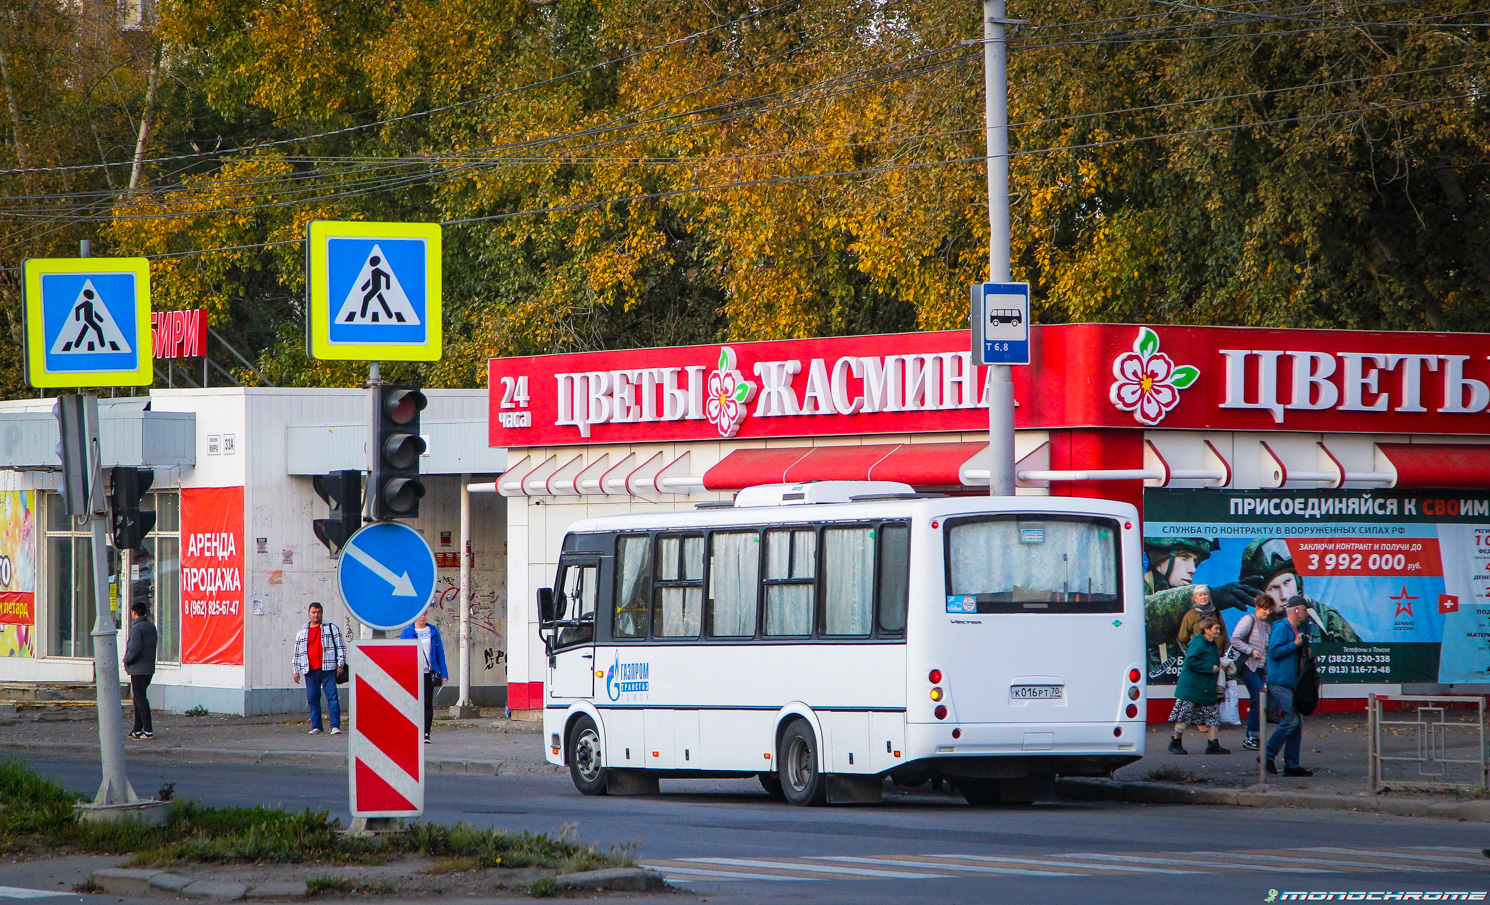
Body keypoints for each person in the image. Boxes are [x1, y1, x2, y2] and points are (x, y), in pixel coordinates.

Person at [1239, 538, 1360, 642]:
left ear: (1297, 582)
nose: (1284, 595)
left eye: (1287, 582)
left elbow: (1354, 659)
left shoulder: (1326, 619)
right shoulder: (1255, 628)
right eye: (1273, 588)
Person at [1263, 595, 1315, 777]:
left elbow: (1289, 652)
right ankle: (1267, 755)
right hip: (1280, 681)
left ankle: (1292, 765)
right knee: (1291, 720)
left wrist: (1301, 651)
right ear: (1296, 609)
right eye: (1305, 610)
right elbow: (1274, 652)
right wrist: (1295, 644)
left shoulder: (1295, 629)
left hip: (1292, 682)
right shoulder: (1281, 627)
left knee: (1297, 723)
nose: (1307, 614)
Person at [1168, 616, 1231, 755]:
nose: (1218, 631)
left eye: (1218, 628)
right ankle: (1175, 742)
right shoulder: (1199, 642)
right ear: (1206, 630)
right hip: (1192, 687)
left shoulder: (1212, 643)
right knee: (1184, 715)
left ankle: (1213, 744)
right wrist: (1210, 668)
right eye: (1215, 628)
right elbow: (1190, 661)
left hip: (1207, 687)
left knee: (1212, 714)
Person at [292, 602, 346, 735]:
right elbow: (297, 653)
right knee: (313, 698)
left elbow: (341, 647)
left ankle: (335, 726)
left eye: (318, 612)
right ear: (309, 614)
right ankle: (316, 726)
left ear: (322, 613)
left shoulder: (331, 628)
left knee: (332, 697)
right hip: (309, 670)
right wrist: (296, 671)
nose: (316, 615)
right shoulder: (302, 632)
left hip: (328, 668)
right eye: (313, 612)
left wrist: (340, 664)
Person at [1230, 594, 1274, 751]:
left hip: (1260, 668)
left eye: (1269, 609)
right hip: (1248, 665)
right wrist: (1251, 651)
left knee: (1259, 699)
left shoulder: (1267, 626)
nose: (1266, 612)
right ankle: (1251, 737)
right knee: (1258, 697)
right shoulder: (1249, 620)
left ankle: (1254, 736)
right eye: (1264, 608)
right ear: (1257, 607)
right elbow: (1235, 639)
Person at [400, 609, 449, 742]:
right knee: (412, 703)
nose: (423, 617)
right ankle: (412, 730)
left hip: (428, 672)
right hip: (412, 673)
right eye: (420, 614)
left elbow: (440, 653)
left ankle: (426, 733)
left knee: (427, 702)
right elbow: (401, 654)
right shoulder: (407, 632)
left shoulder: (433, 632)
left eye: (425, 614)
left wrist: (444, 673)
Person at [123, 600, 157, 740]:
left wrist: (126, 660)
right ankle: (137, 729)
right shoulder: (151, 626)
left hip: (138, 669)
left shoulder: (137, 628)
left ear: (134, 612)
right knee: (139, 699)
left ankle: (147, 730)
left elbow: (134, 648)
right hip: (148, 668)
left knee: (140, 699)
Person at [1176, 585, 1224, 655]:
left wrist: (1225, 649)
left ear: (1209, 596)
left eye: (1205, 594)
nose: (1203, 597)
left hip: (1216, 654)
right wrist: (1194, 644)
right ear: (1195, 598)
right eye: (1200, 595)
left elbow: (1223, 632)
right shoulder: (1190, 615)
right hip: (1200, 655)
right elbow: (1182, 637)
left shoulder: (1216, 612)